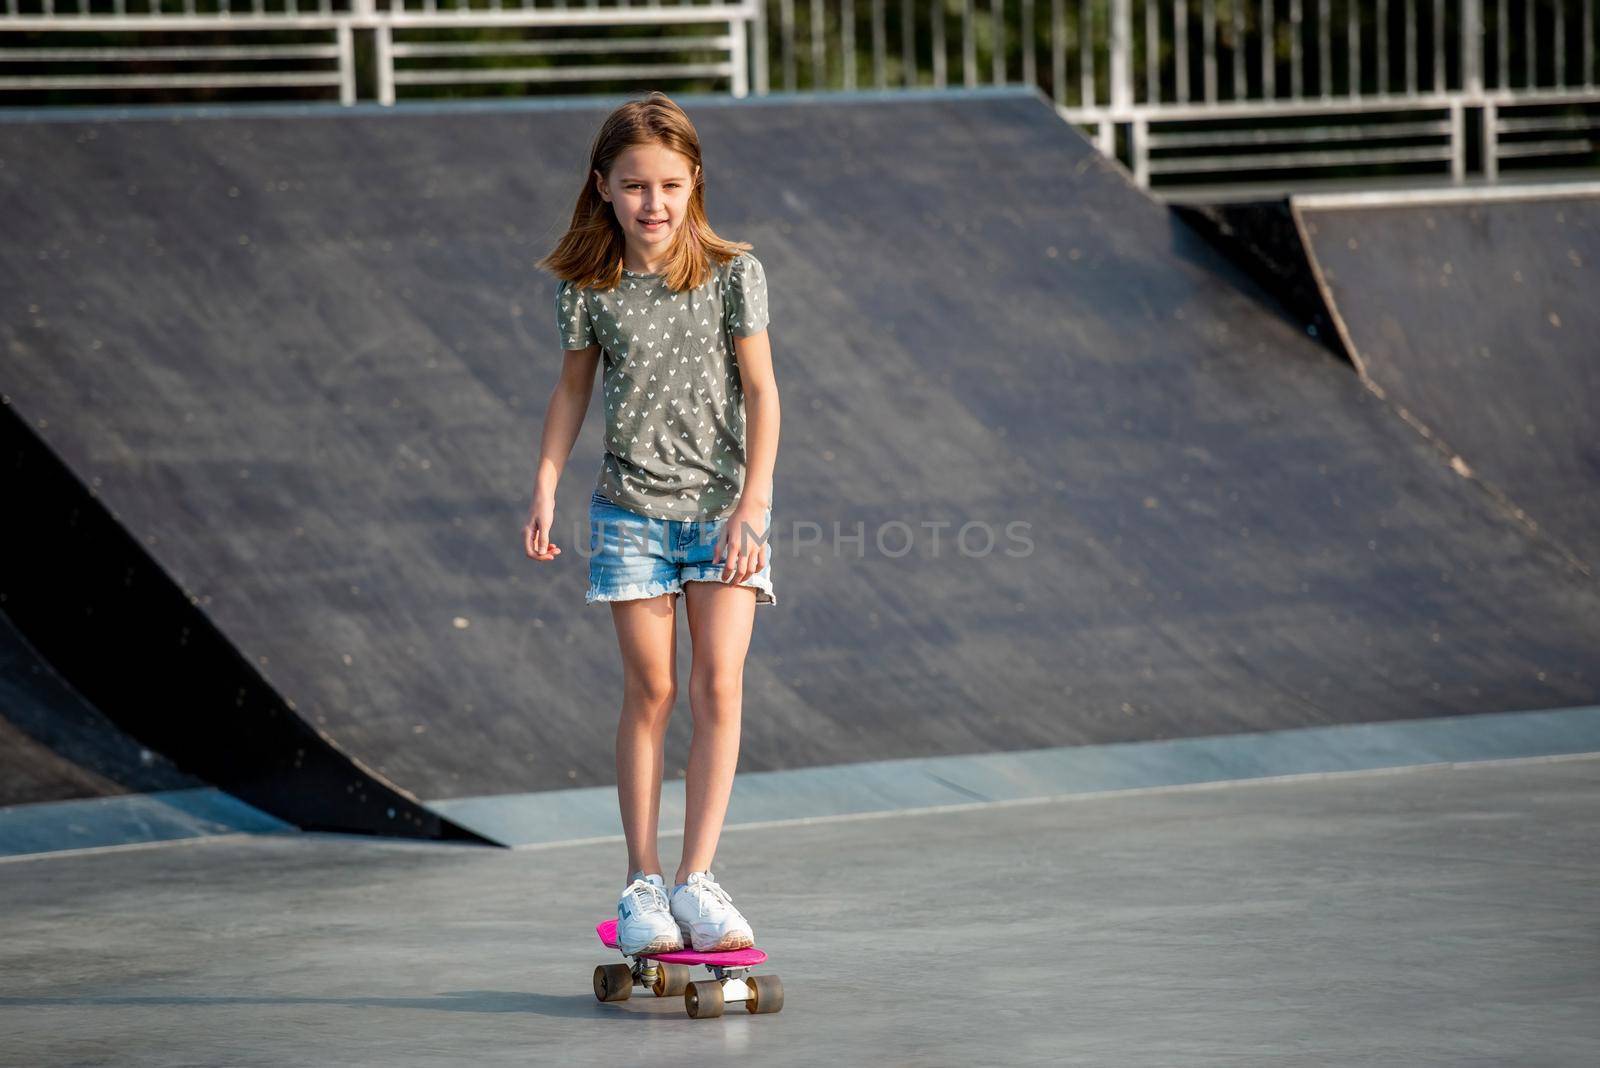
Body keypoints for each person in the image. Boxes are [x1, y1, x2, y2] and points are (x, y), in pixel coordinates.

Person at [523, 91, 779, 956]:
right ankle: (642, 883)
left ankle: (696, 879)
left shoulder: (734, 272)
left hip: (721, 516)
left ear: (694, 181)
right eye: (635, 186)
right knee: (654, 691)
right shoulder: (590, 287)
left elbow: (764, 394)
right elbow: (571, 392)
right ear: (603, 187)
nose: (654, 203)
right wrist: (547, 484)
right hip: (629, 514)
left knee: (719, 687)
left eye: (670, 184)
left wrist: (754, 505)